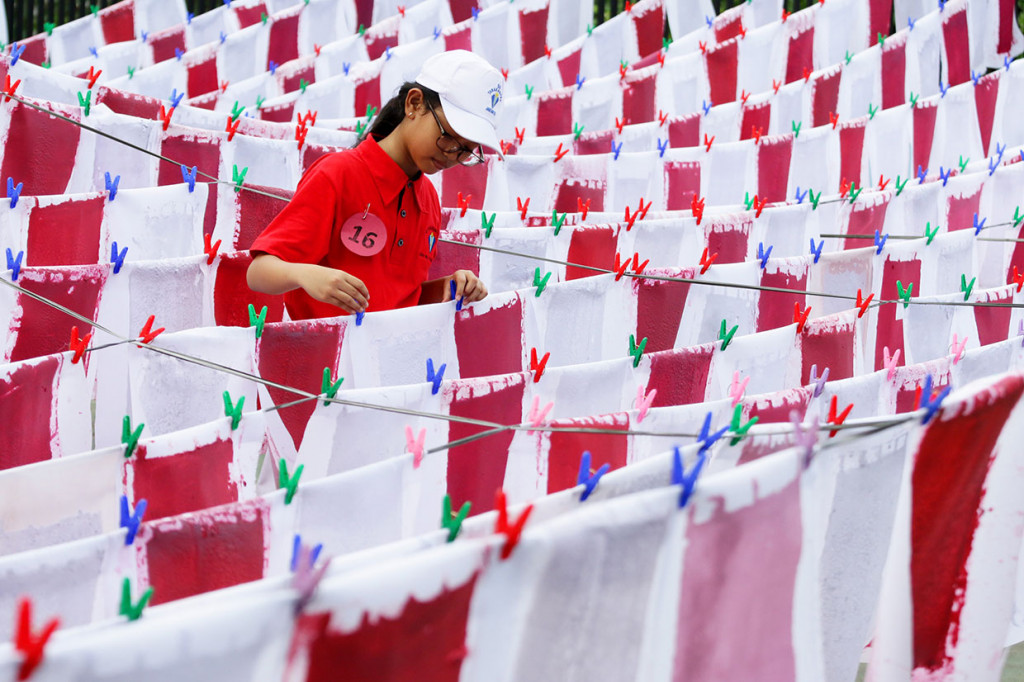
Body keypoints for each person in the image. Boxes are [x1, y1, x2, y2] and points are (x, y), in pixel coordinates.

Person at [246, 50, 501, 320]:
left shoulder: (428, 201)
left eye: (465, 150)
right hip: (326, 358)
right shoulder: (338, 175)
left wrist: (449, 288)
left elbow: (402, 300)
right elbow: (258, 272)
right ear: (414, 103)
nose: (452, 155)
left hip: (391, 357)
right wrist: (304, 274)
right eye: (448, 136)